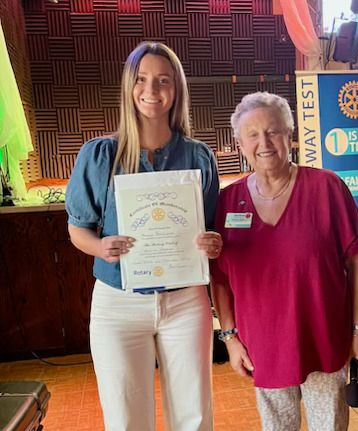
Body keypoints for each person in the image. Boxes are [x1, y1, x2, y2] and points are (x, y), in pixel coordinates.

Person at [65, 41, 222, 431]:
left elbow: (211, 229)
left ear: (177, 89)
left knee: (194, 414)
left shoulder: (198, 156)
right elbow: (77, 228)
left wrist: (212, 243)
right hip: (118, 304)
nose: (152, 90)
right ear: (128, 87)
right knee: (124, 416)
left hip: (186, 302)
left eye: (163, 80)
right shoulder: (99, 155)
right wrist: (99, 246)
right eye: (142, 80)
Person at [210, 92, 358, 431]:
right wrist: (230, 337)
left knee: (329, 426)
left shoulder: (327, 188)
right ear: (240, 144)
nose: (264, 142)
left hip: (325, 340)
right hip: (263, 346)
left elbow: (356, 264)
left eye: (273, 131)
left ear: (290, 136)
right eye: (252, 134)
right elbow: (220, 278)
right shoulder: (227, 202)